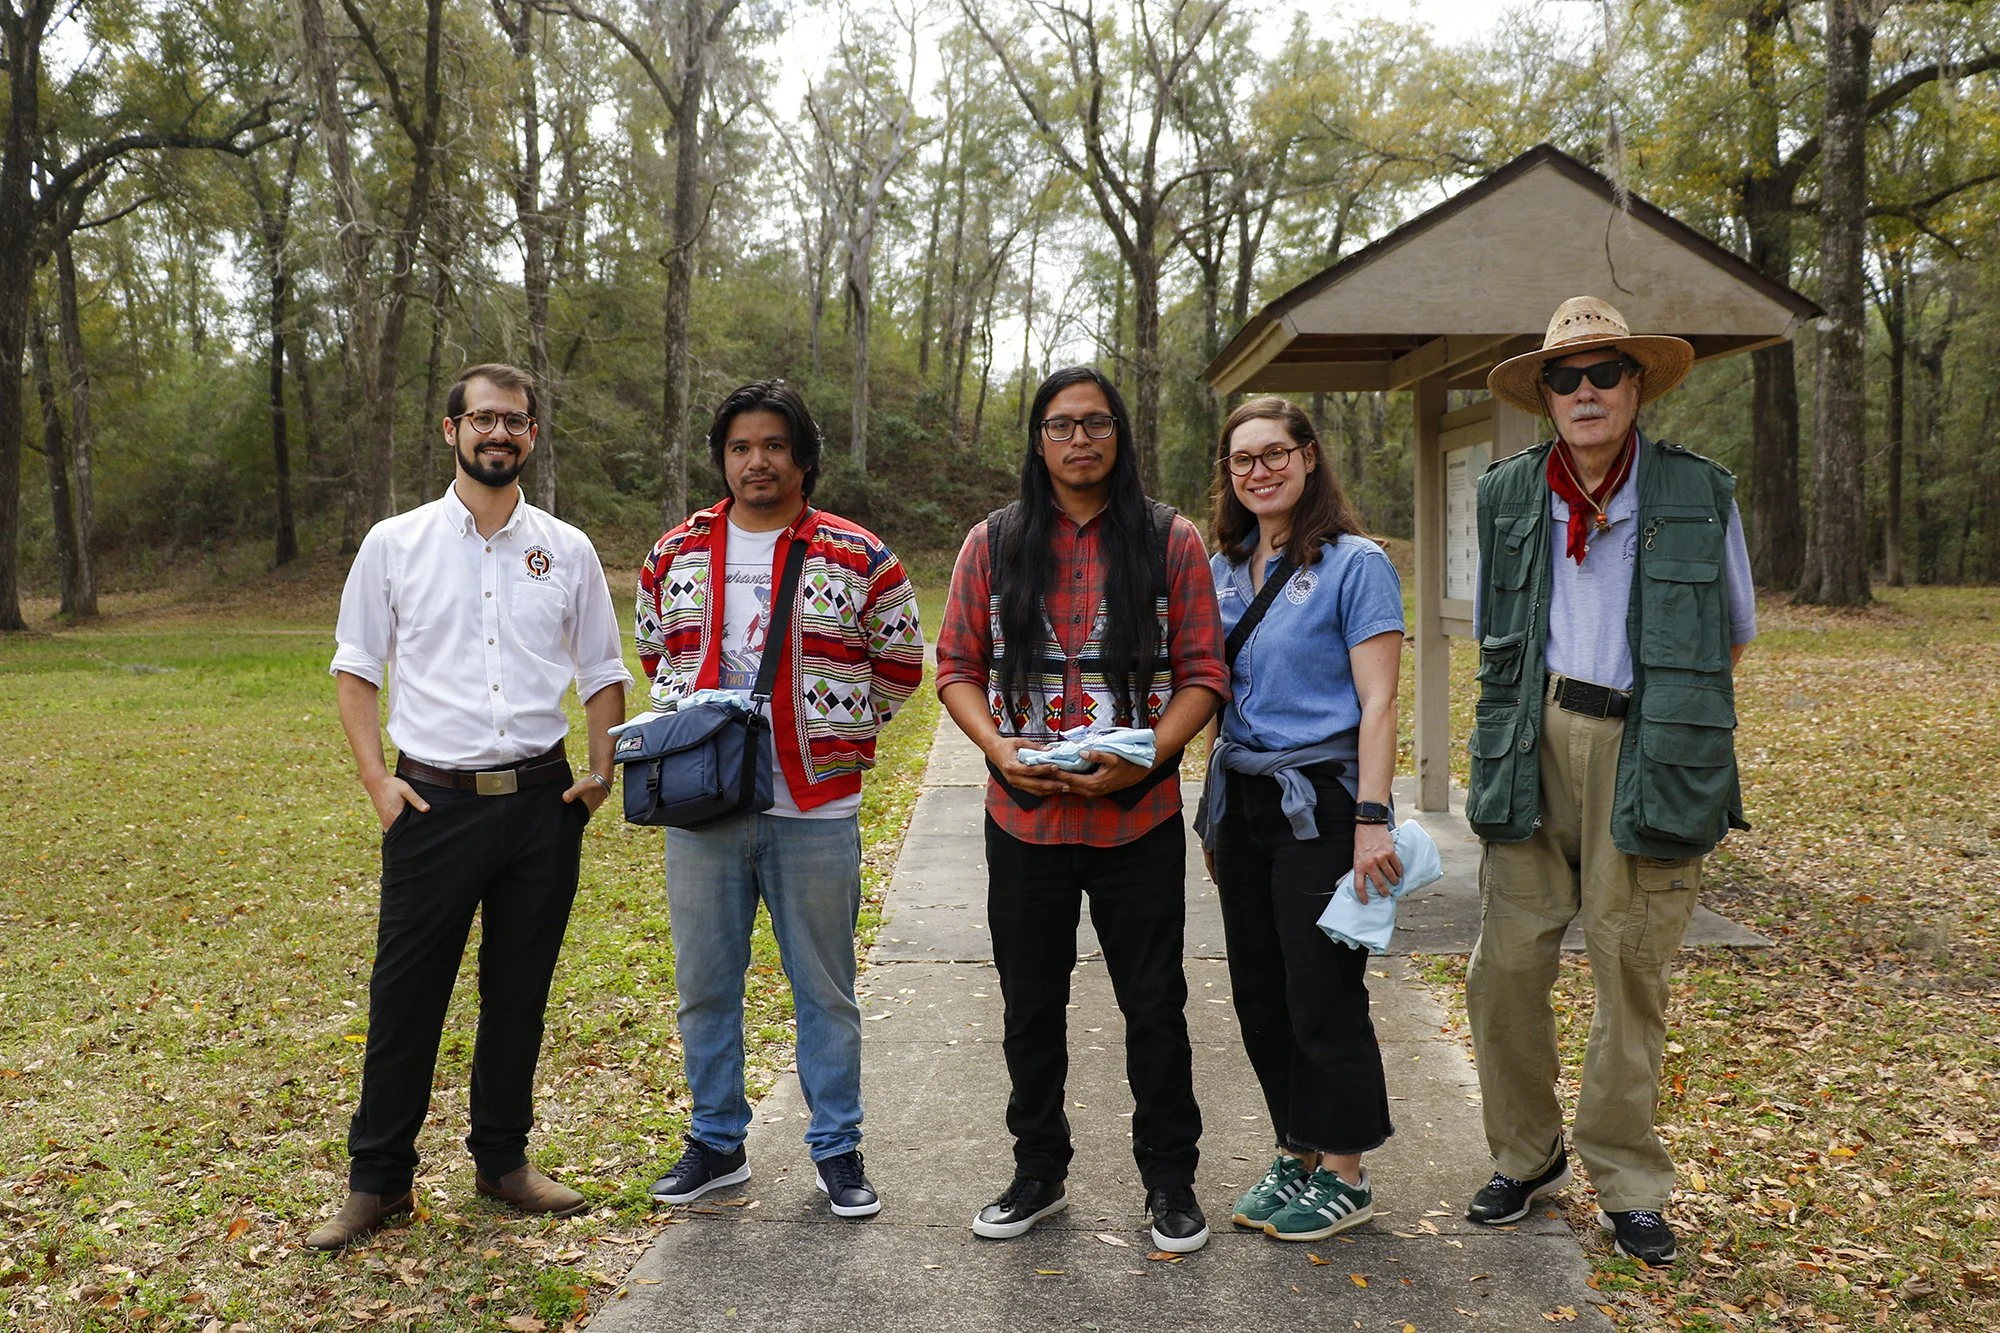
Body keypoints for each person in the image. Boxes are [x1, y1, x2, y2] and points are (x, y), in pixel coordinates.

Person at [1463, 297, 1756, 1266]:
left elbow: (1731, 637)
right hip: (1528, 737)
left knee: (1629, 971)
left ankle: (1626, 1179)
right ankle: (1524, 1152)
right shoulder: (1507, 495)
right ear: (1543, 394)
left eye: (1602, 373)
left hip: (1645, 741)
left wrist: (1665, 730)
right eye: (1563, 376)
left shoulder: (1695, 492)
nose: (1582, 391)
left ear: (1635, 386)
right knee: (1504, 966)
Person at [313, 363, 632, 1250]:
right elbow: (354, 668)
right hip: (432, 804)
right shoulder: (395, 542)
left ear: (533, 435)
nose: (499, 433)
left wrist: (599, 774)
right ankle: (377, 1181)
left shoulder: (565, 550)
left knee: (517, 992)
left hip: (541, 804)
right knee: (407, 994)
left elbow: (603, 674)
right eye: (482, 418)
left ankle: (502, 1161)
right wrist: (380, 782)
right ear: (449, 429)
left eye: (515, 421)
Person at [936, 366, 1229, 1254]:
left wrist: (1147, 756)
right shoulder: (992, 542)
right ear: (1038, 439)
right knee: (1030, 1005)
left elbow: (1204, 674)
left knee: (1155, 1004)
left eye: (1096, 424)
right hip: (1022, 819)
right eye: (1061, 425)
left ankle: (1170, 1182)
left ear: (1119, 435)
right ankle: (1038, 1171)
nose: (1079, 440)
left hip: (1132, 816)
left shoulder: (1169, 539)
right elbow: (953, 665)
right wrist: (997, 748)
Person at [634, 380, 923, 1219]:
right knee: (705, 983)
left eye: (772, 445)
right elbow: (657, 649)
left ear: (802, 458)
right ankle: (717, 1141)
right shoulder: (675, 551)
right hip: (703, 808)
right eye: (739, 447)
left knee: (824, 988)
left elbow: (903, 659)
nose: (756, 461)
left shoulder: (859, 555)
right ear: (723, 458)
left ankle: (838, 1147)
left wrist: (833, 729)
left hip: (815, 808)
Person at [1198, 397, 1405, 1243]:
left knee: (1321, 989)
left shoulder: (1357, 565)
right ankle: (1298, 1148)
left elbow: (1381, 700)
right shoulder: (1221, 567)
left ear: (1310, 457)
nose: (1260, 471)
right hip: (1241, 799)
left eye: (1275, 453)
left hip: (1321, 798)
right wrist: (1212, 818)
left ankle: (1347, 1170)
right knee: (1259, 990)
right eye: (1243, 459)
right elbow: (1212, 692)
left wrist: (1373, 817)